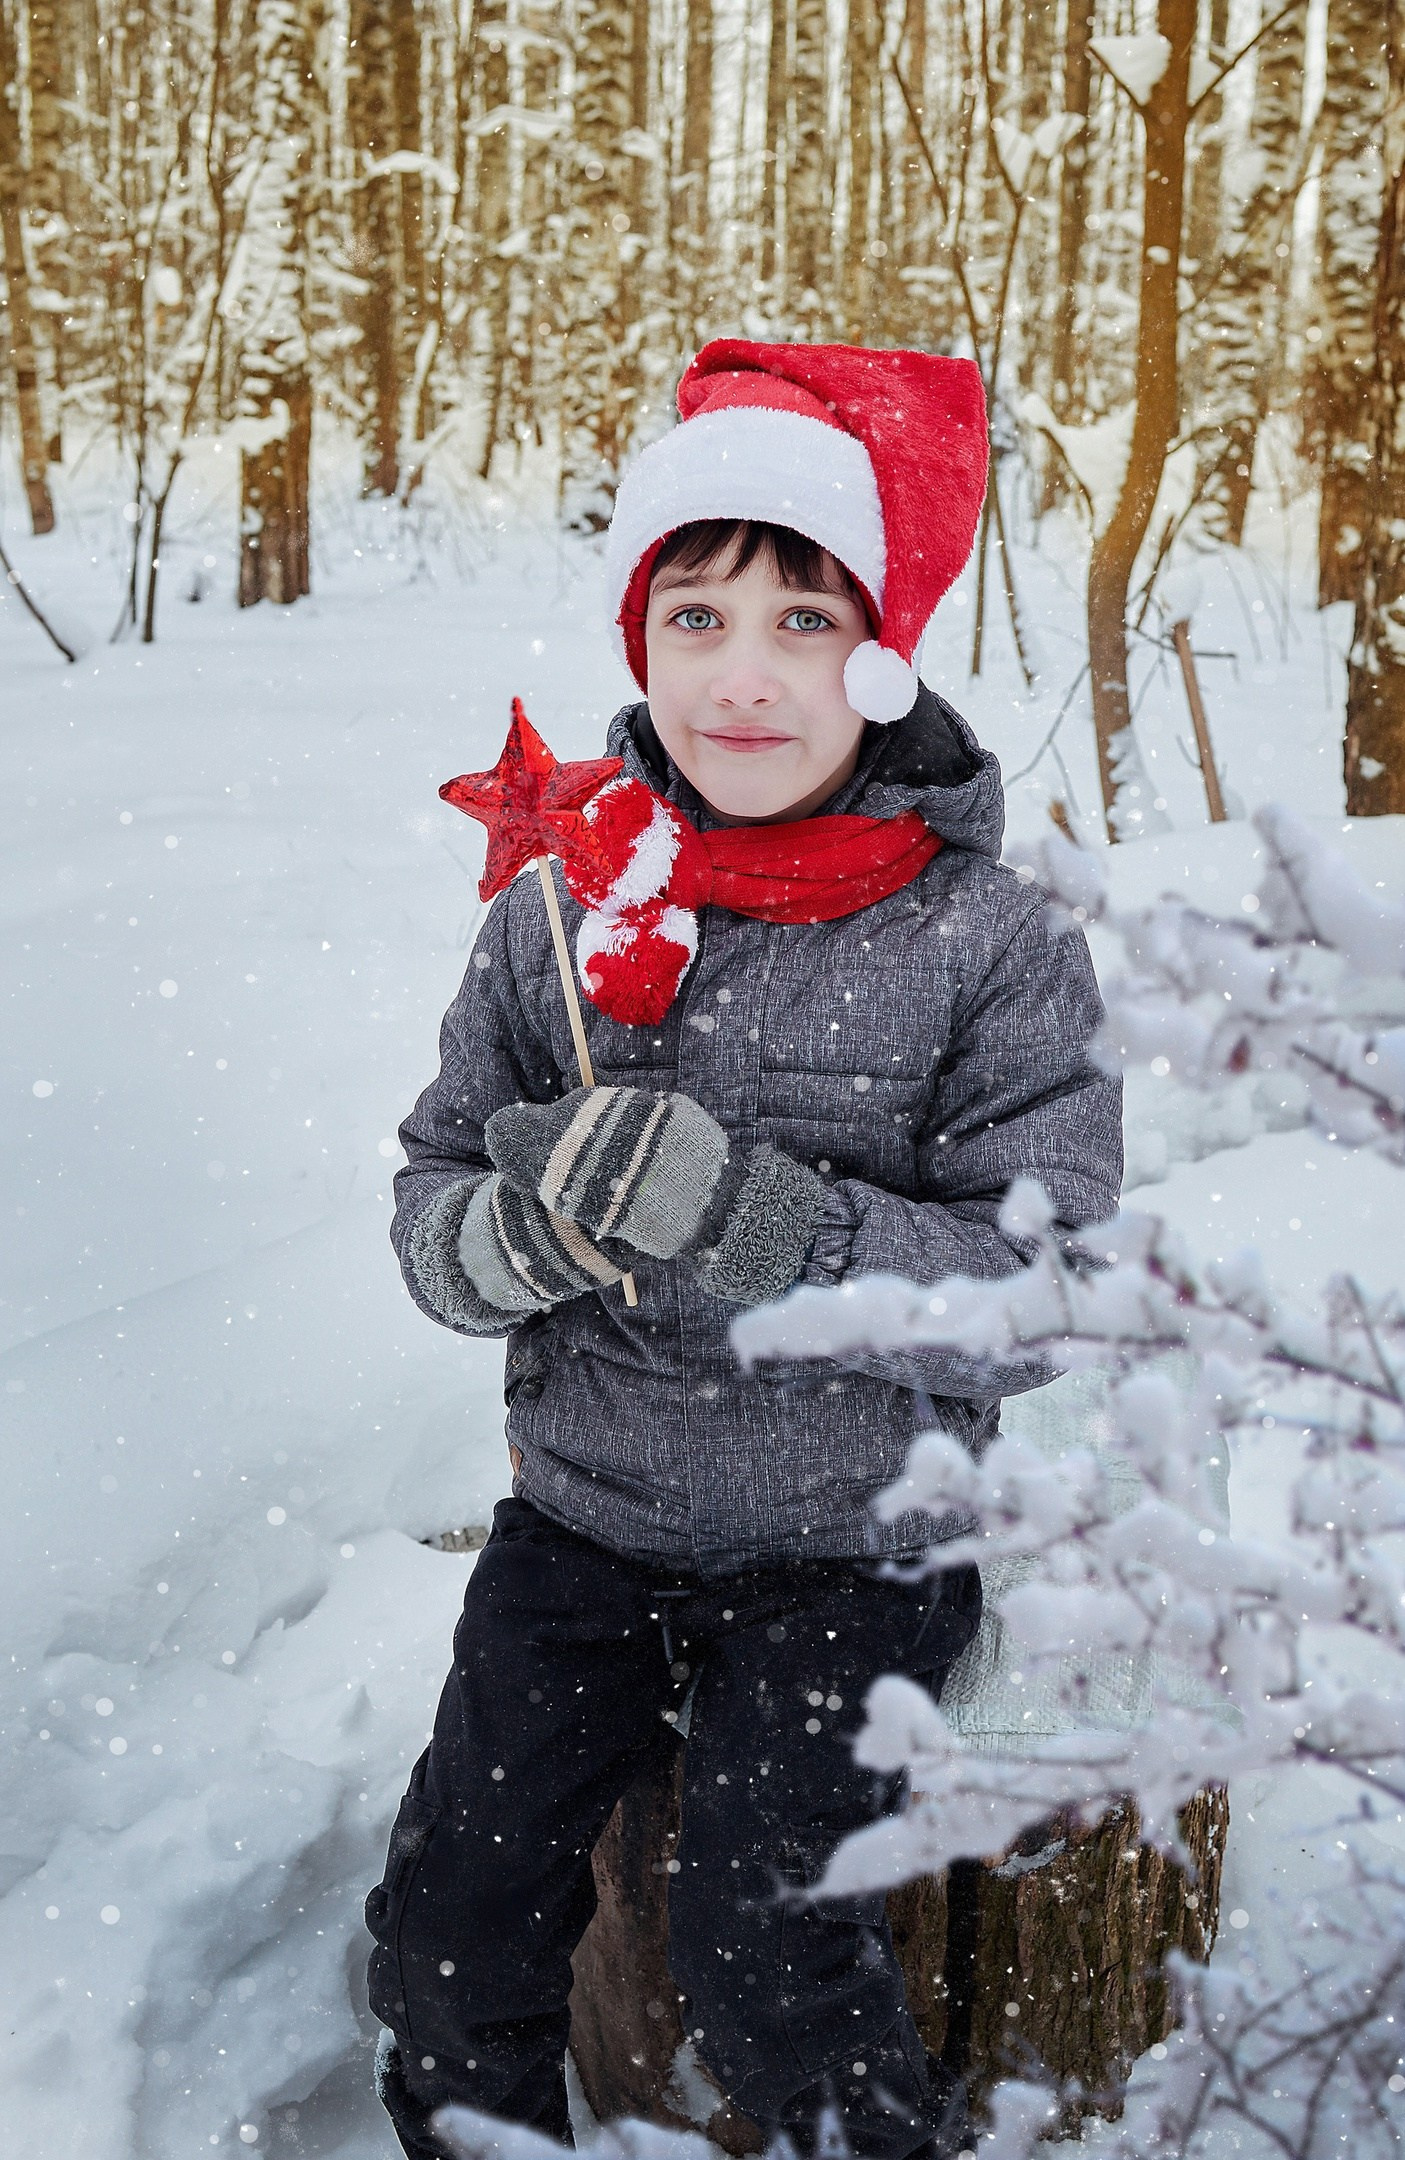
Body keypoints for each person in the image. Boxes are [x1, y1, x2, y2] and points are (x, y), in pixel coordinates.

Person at [365, 339, 1123, 2160]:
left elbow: (1045, 1298)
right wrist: (519, 1232)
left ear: (884, 649)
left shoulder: (989, 945)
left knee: (765, 1939)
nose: (741, 676)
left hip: (854, 1547)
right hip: (589, 1517)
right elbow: (429, 1206)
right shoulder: (557, 907)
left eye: (801, 619)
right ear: (640, 641)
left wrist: (749, 1221)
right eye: (692, 617)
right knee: (457, 1915)